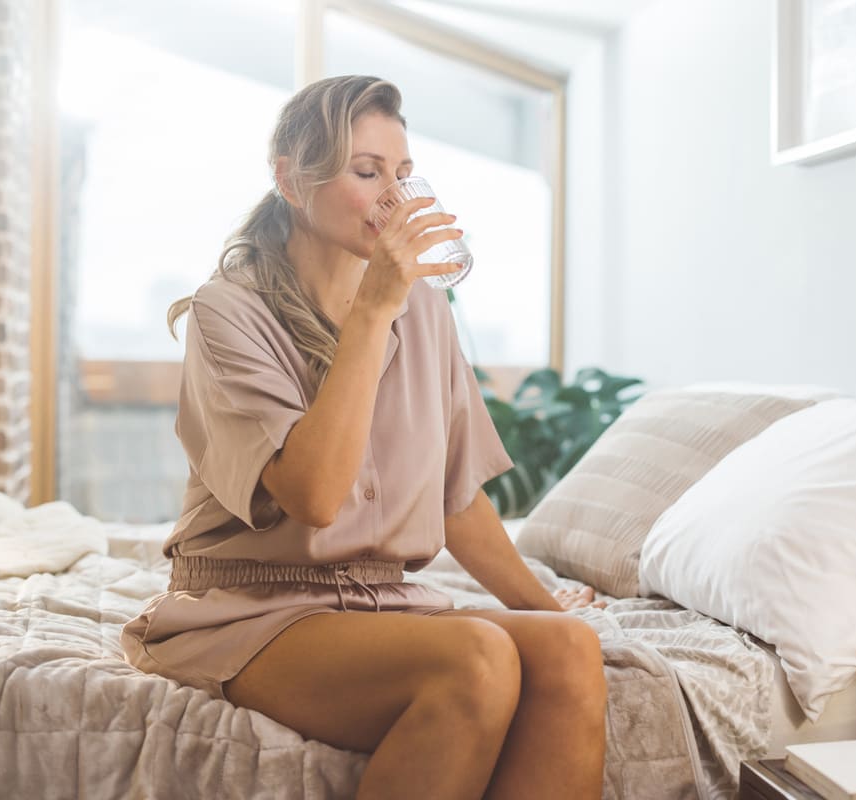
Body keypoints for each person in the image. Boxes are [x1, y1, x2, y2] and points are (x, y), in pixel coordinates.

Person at [119, 75, 608, 799]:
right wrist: (374, 311)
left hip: (380, 604)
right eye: (367, 172)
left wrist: (544, 604)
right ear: (291, 180)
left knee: (569, 649)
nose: (393, 197)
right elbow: (315, 497)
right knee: (477, 658)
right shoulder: (228, 312)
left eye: (403, 174)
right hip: (251, 606)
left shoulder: (426, 308)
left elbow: (455, 500)